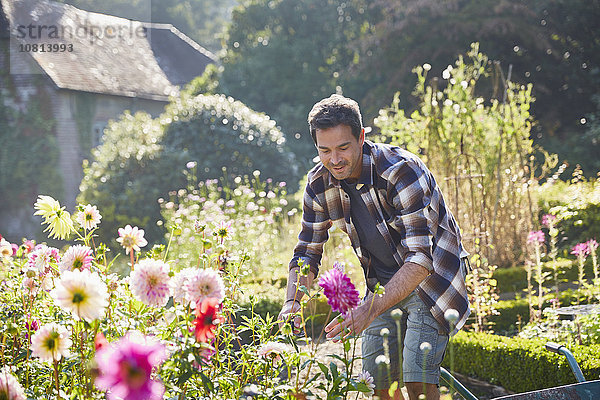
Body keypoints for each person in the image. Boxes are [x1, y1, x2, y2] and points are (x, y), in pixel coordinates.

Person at [278, 94, 470, 400]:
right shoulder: (318, 185)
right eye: (324, 150)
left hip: (431, 280)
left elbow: (420, 260)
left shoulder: (400, 171)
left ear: (362, 137)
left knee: (416, 379)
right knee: (376, 381)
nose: (335, 160)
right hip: (382, 285)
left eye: (343, 148)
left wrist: (368, 309)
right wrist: (292, 301)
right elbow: (307, 253)